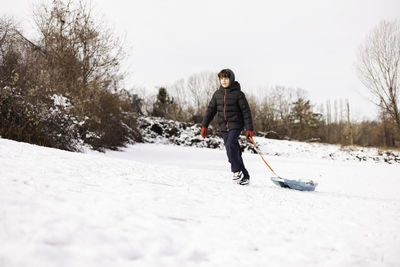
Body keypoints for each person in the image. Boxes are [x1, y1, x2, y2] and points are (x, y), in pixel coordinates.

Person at [201, 69, 254, 185]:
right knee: (233, 152)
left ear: (231, 79)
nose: (224, 81)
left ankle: (236, 171)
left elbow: (246, 112)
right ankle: (245, 175)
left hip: (236, 125)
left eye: (226, 78)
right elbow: (210, 111)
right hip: (224, 126)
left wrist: (249, 128)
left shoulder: (238, 94)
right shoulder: (217, 94)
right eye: (222, 78)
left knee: (230, 145)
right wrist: (204, 126)